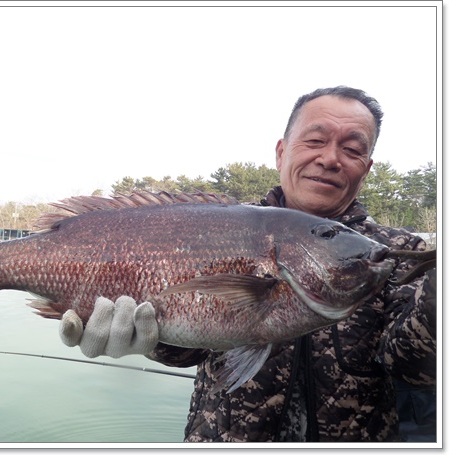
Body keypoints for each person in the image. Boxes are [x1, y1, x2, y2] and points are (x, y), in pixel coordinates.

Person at [58, 86, 436, 442]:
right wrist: (151, 341)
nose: (330, 159)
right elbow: (189, 349)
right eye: (315, 141)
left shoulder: (399, 253)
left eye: (352, 149)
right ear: (281, 152)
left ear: (366, 169)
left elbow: (414, 365)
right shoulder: (223, 223)